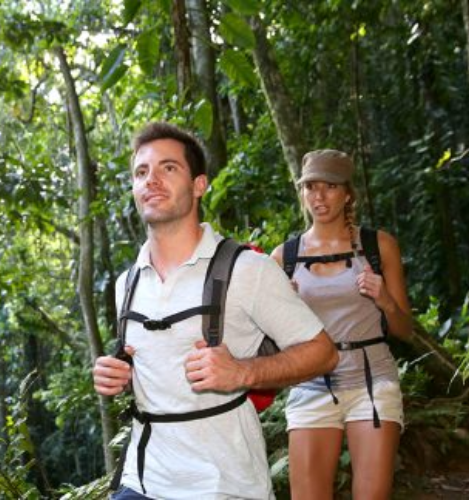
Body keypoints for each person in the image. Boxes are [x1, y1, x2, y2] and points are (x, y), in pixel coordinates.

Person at [93, 122, 338, 500]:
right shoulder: (126, 284)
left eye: (168, 168)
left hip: (224, 484)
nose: (151, 180)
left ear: (199, 185)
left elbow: (324, 353)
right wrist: (121, 376)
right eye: (141, 172)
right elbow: (157, 367)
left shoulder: (246, 269)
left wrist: (243, 371)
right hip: (143, 479)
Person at [270, 149, 413, 500]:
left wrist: (385, 301)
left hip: (372, 381)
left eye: (330, 186)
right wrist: (281, 308)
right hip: (310, 384)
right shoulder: (282, 258)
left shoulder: (378, 245)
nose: (318, 197)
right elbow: (271, 346)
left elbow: (404, 330)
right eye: (310, 187)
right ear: (302, 192)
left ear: (347, 192)